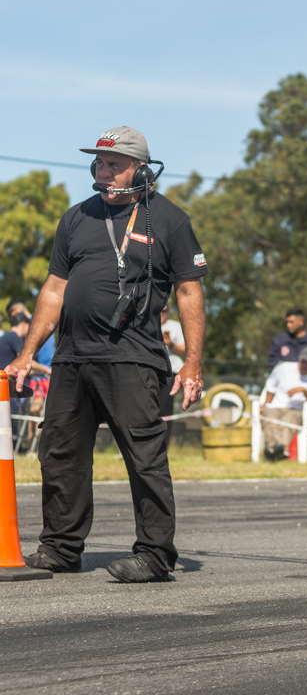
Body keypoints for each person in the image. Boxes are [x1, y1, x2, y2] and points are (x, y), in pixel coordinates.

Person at [10, 126, 208, 583]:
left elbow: (189, 293)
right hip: (72, 358)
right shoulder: (77, 217)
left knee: (144, 458)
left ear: (141, 169)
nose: (104, 171)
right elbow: (54, 289)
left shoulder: (170, 220)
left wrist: (193, 363)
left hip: (133, 359)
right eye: (99, 163)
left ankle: (155, 555)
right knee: (60, 453)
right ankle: (61, 548)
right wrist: (27, 352)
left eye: (114, 165)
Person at [262, 347, 307, 461]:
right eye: (303, 361)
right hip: (276, 406)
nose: (305, 365)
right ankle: (277, 449)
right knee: (269, 416)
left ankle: (277, 449)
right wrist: (265, 404)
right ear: (299, 358)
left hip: (296, 409)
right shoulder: (283, 368)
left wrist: (304, 391)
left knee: (288, 419)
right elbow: (270, 386)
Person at [159, 303, 186, 442]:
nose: (161, 314)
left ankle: (163, 445)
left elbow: (186, 350)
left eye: (164, 311)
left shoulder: (175, 326)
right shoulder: (145, 325)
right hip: (147, 371)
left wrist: (171, 344)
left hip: (170, 372)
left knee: (164, 410)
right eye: (159, 310)